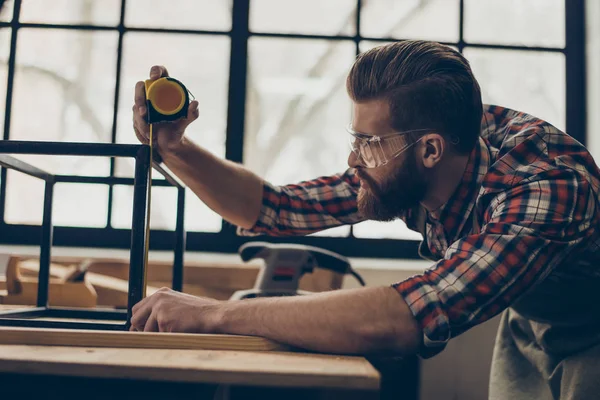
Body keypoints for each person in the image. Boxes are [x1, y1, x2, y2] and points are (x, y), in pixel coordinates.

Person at [130, 40, 600, 399]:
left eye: (369, 143)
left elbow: (411, 314)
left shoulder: (549, 187)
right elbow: (278, 208)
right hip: (530, 321)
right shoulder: (430, 145)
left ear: (431, 150)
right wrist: (175, 150)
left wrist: (213, 315)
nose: (354, 158)